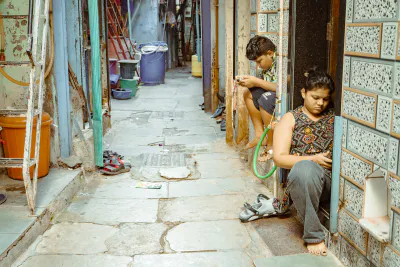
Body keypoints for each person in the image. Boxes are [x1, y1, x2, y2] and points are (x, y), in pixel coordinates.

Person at [272, 67, 335, 256]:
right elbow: (279, 158)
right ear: (303, 93)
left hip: (329, 181)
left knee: (307, 170)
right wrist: (312, 159)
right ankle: (313, 236)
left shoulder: (334, 117)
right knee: (304, 169)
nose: (320, 103)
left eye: (325, 99)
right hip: (302, 178)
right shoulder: (291, 118)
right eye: (315, 97)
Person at [238, 36, 278, 158]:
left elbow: (281, 88)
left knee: (265, 99)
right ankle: (260, 135)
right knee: (248, 93)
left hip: (281, 100)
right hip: (270, 97)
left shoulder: (281, 62)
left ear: (270, 53)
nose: (258, 65)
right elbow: (263, 85)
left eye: (259, 61)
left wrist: (256, 82)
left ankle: (271, 145)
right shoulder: (266, 68)